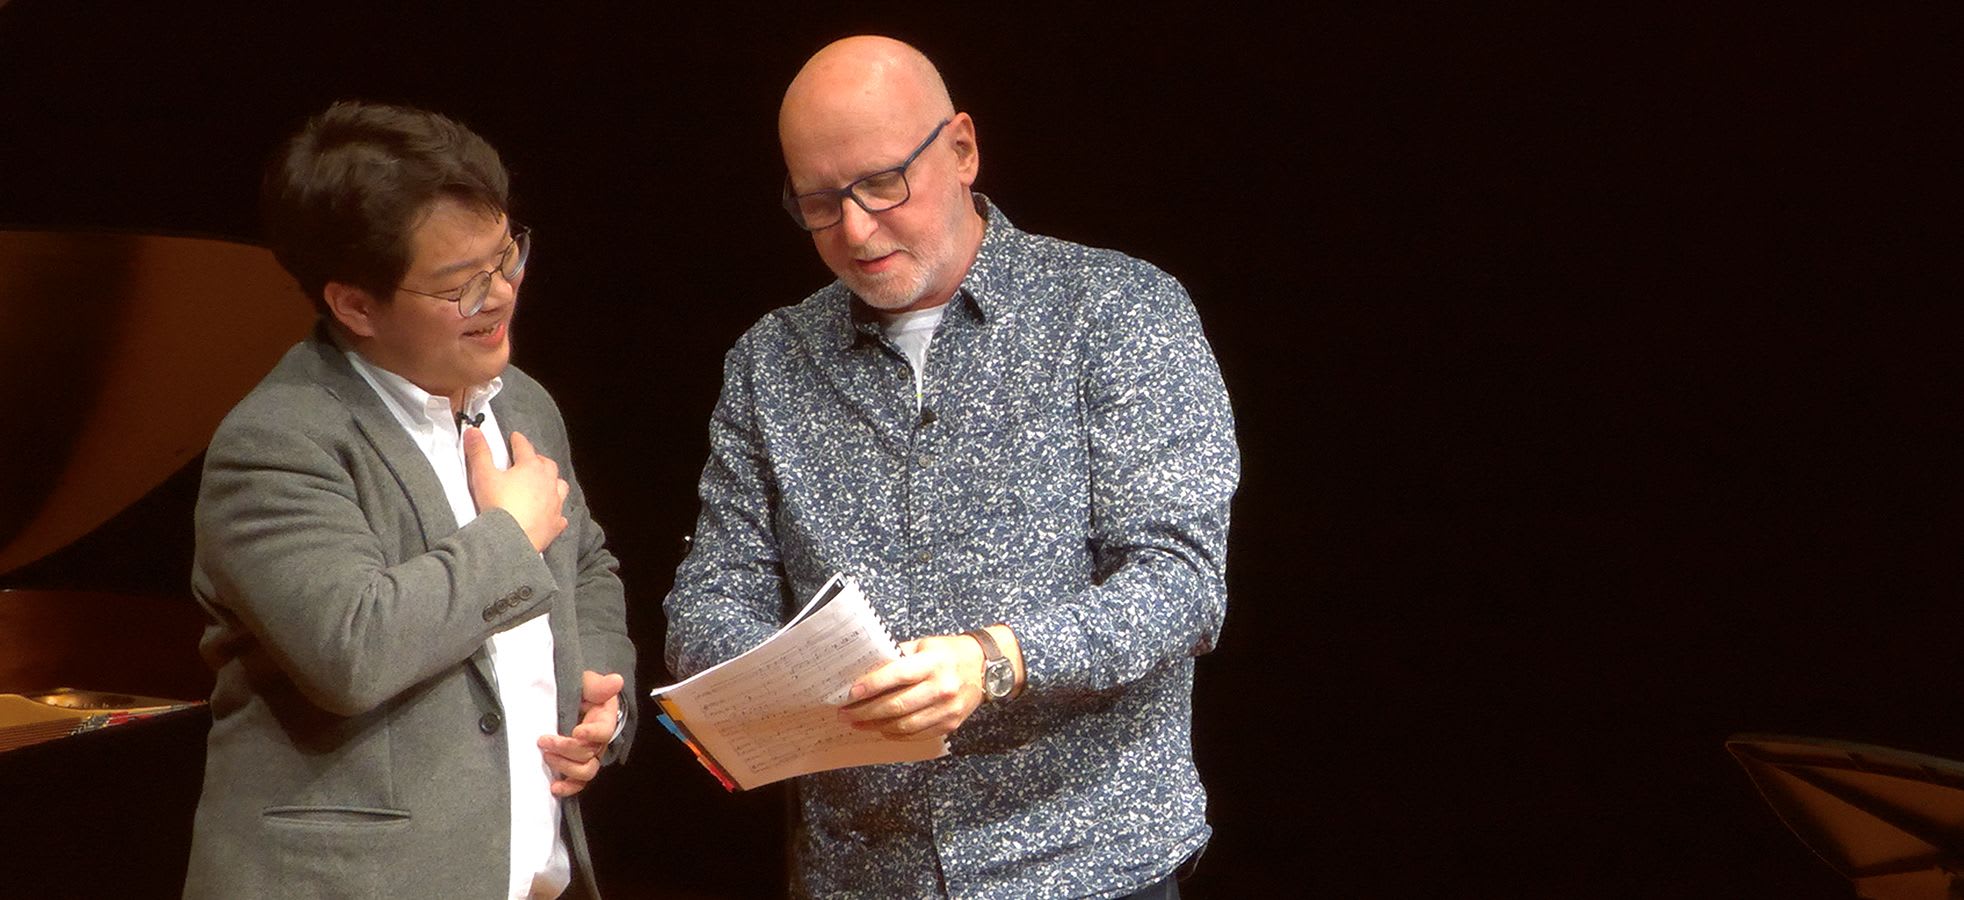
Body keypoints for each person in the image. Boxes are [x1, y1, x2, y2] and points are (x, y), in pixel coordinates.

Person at [663, 36, 1239, 899]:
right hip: (862, 873)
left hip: (1085, 868)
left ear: (962, 148)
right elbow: (709, 599)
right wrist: (808, 681)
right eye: (819, 203)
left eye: (882, 184)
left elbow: (1181, 583)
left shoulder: (1118, 312)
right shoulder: (770, 362)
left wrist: (993, 661)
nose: (854, 229)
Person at [183, 101, 635, 900]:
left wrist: (599, 689)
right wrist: (509, 535)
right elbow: (352, 649)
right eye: (461, 285)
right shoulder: (277, 442)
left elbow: (586, 559)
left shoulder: (521, 403)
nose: (500, 296)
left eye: (507, 257)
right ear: (355, 304)